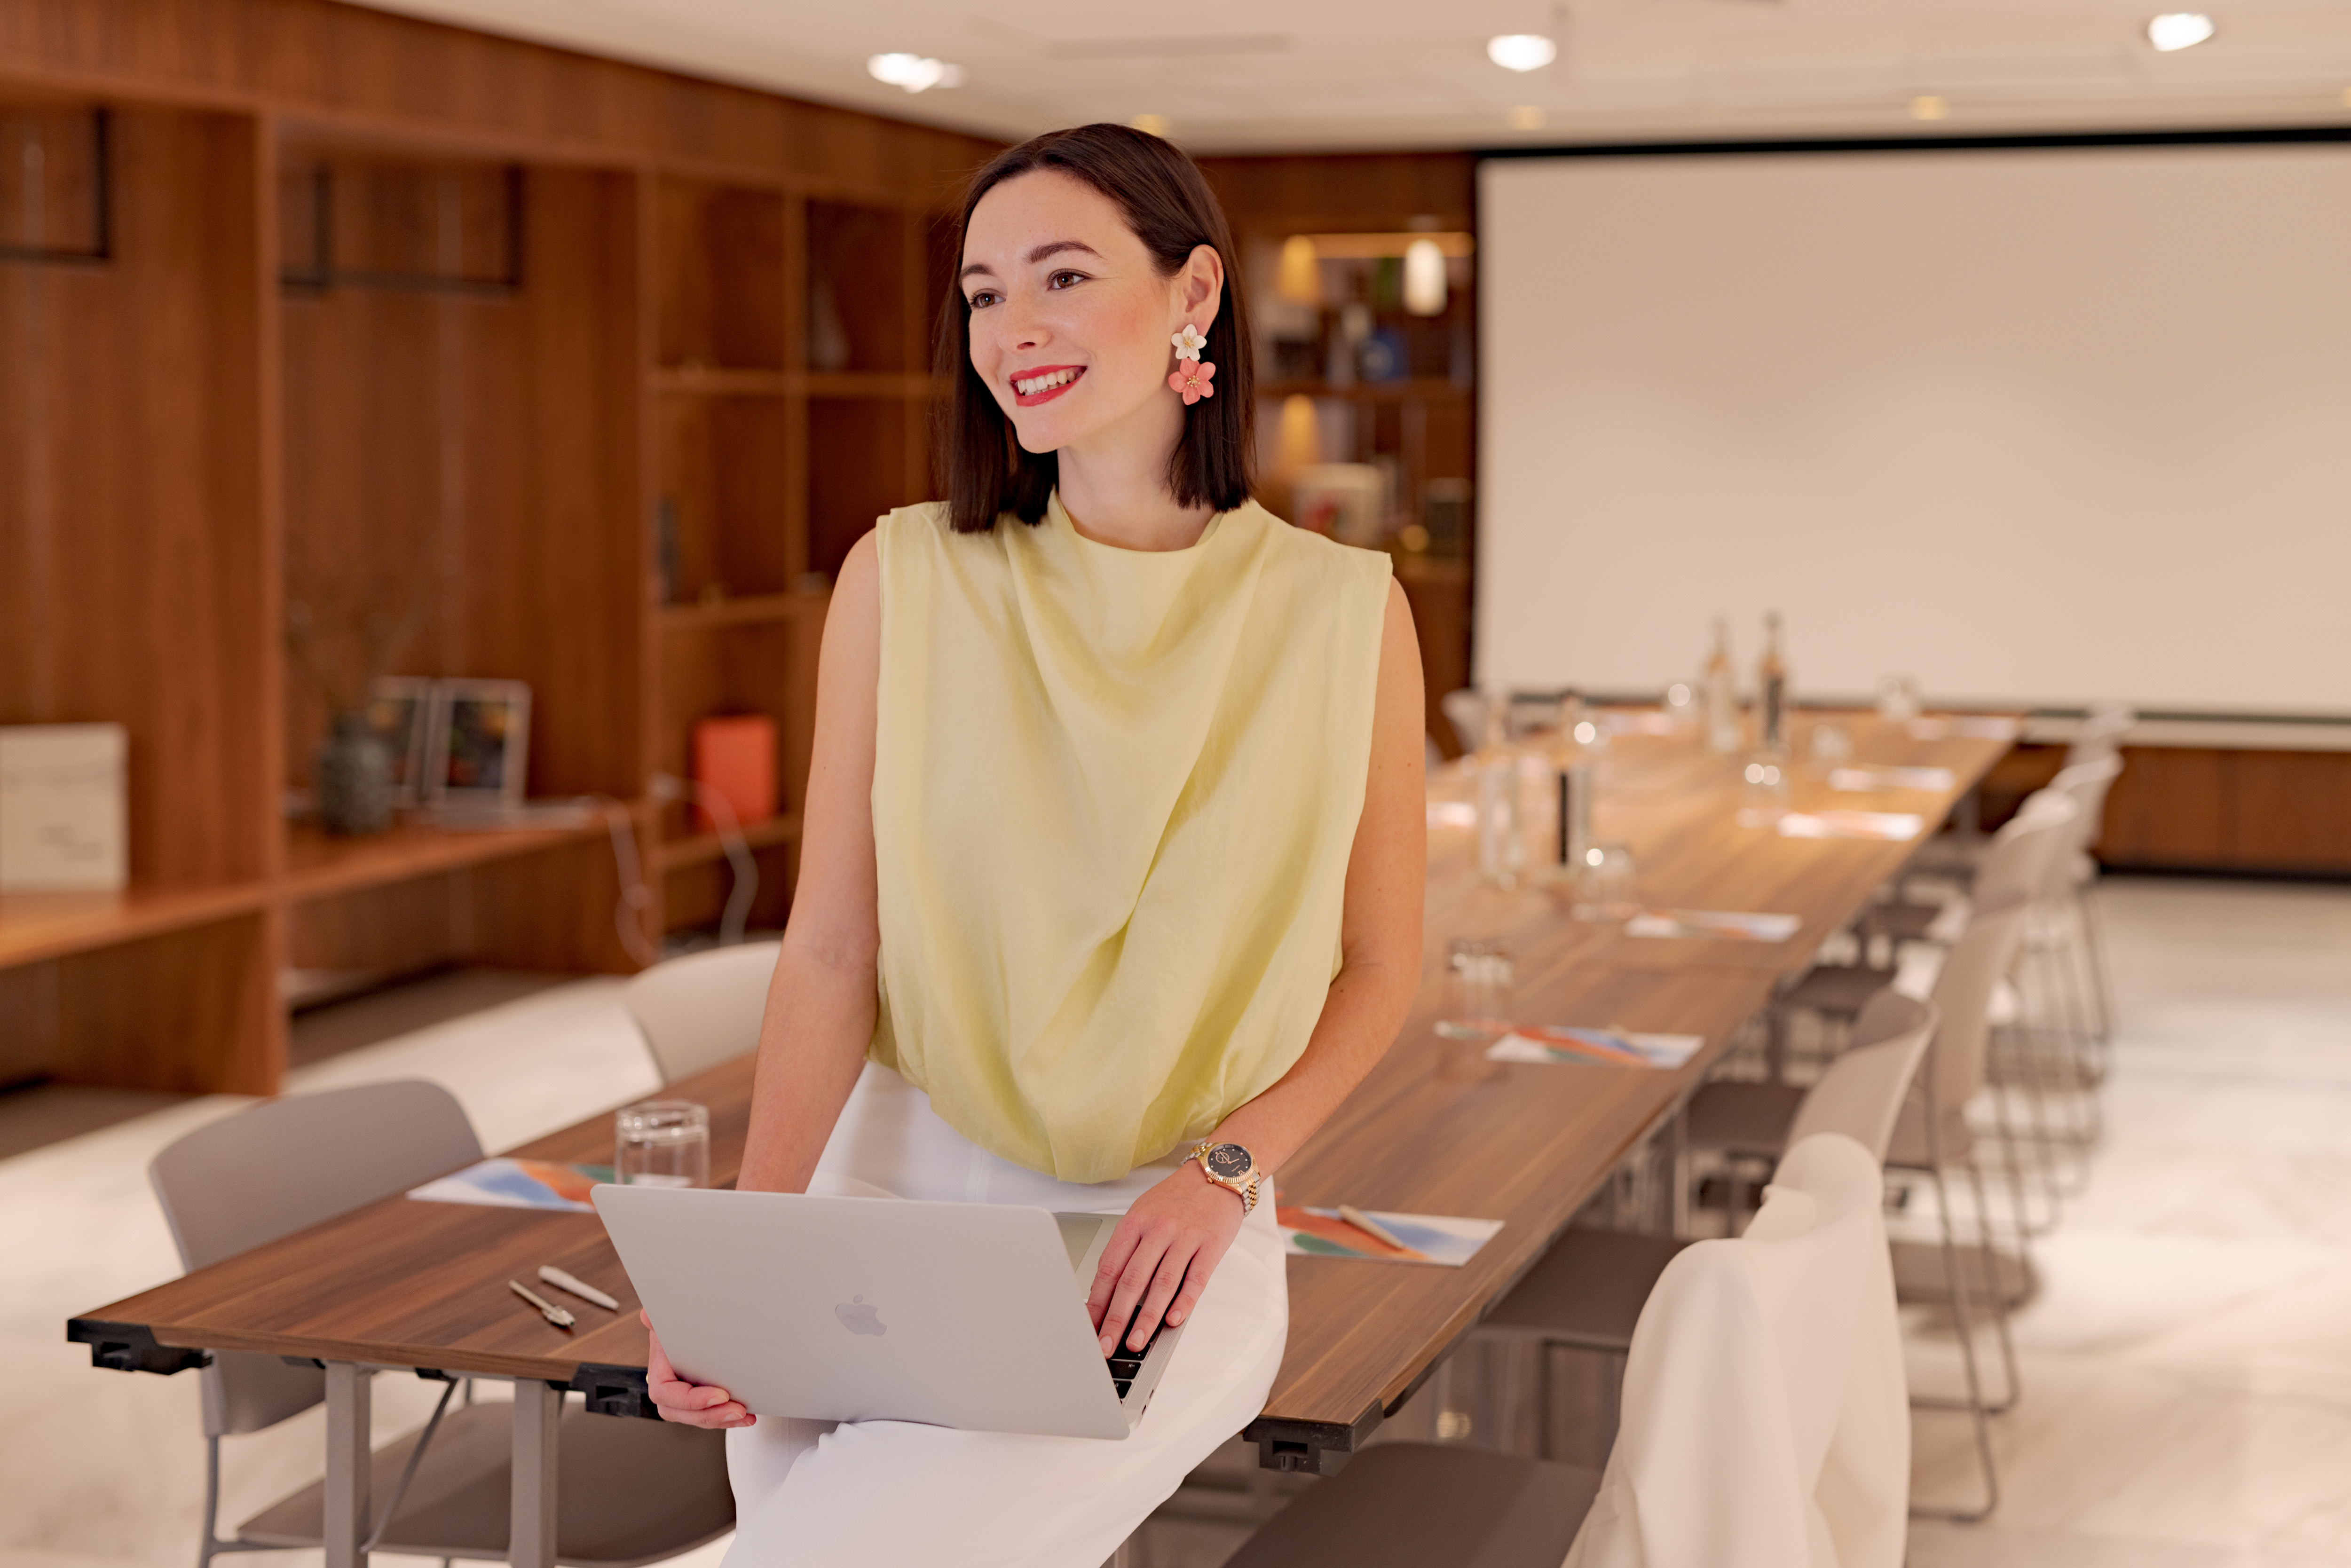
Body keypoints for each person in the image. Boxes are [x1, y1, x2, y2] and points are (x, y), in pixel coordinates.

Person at [642, 123, 1427, 1566]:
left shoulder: (1344, 613)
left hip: (1164, 1225)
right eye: (984, 292)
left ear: (1195, 295)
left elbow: (1380, 970)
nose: (1015, 328)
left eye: (1062, 276)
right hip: (881, 1202)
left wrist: (1231, 1178)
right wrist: (746, 1263)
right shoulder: (902, 577)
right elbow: (828, 950)